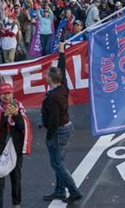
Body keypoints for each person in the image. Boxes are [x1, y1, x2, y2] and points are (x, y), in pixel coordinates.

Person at [41, 42, 82, 204]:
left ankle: (74, 191)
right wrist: (61, 52)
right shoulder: (63, 87)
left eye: (46, 75)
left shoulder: (52, 97)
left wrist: (49, 136)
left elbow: (54, 119)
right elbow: (62, 69)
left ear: (51, 79)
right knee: (60, 161)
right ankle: (59, 191)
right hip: (66, 127)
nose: (45, 77)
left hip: (58, 131)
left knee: (57, 163)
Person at [0, 83, 32, 208]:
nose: (6, 97)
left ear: (12, 94)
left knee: (16, 178)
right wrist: (4, 116)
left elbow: (23, 127)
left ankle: (16, 203)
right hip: (0, 149)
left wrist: (16, 114)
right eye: (3, 94)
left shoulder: (19, 107)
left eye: (9, 93)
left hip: (15, 148)